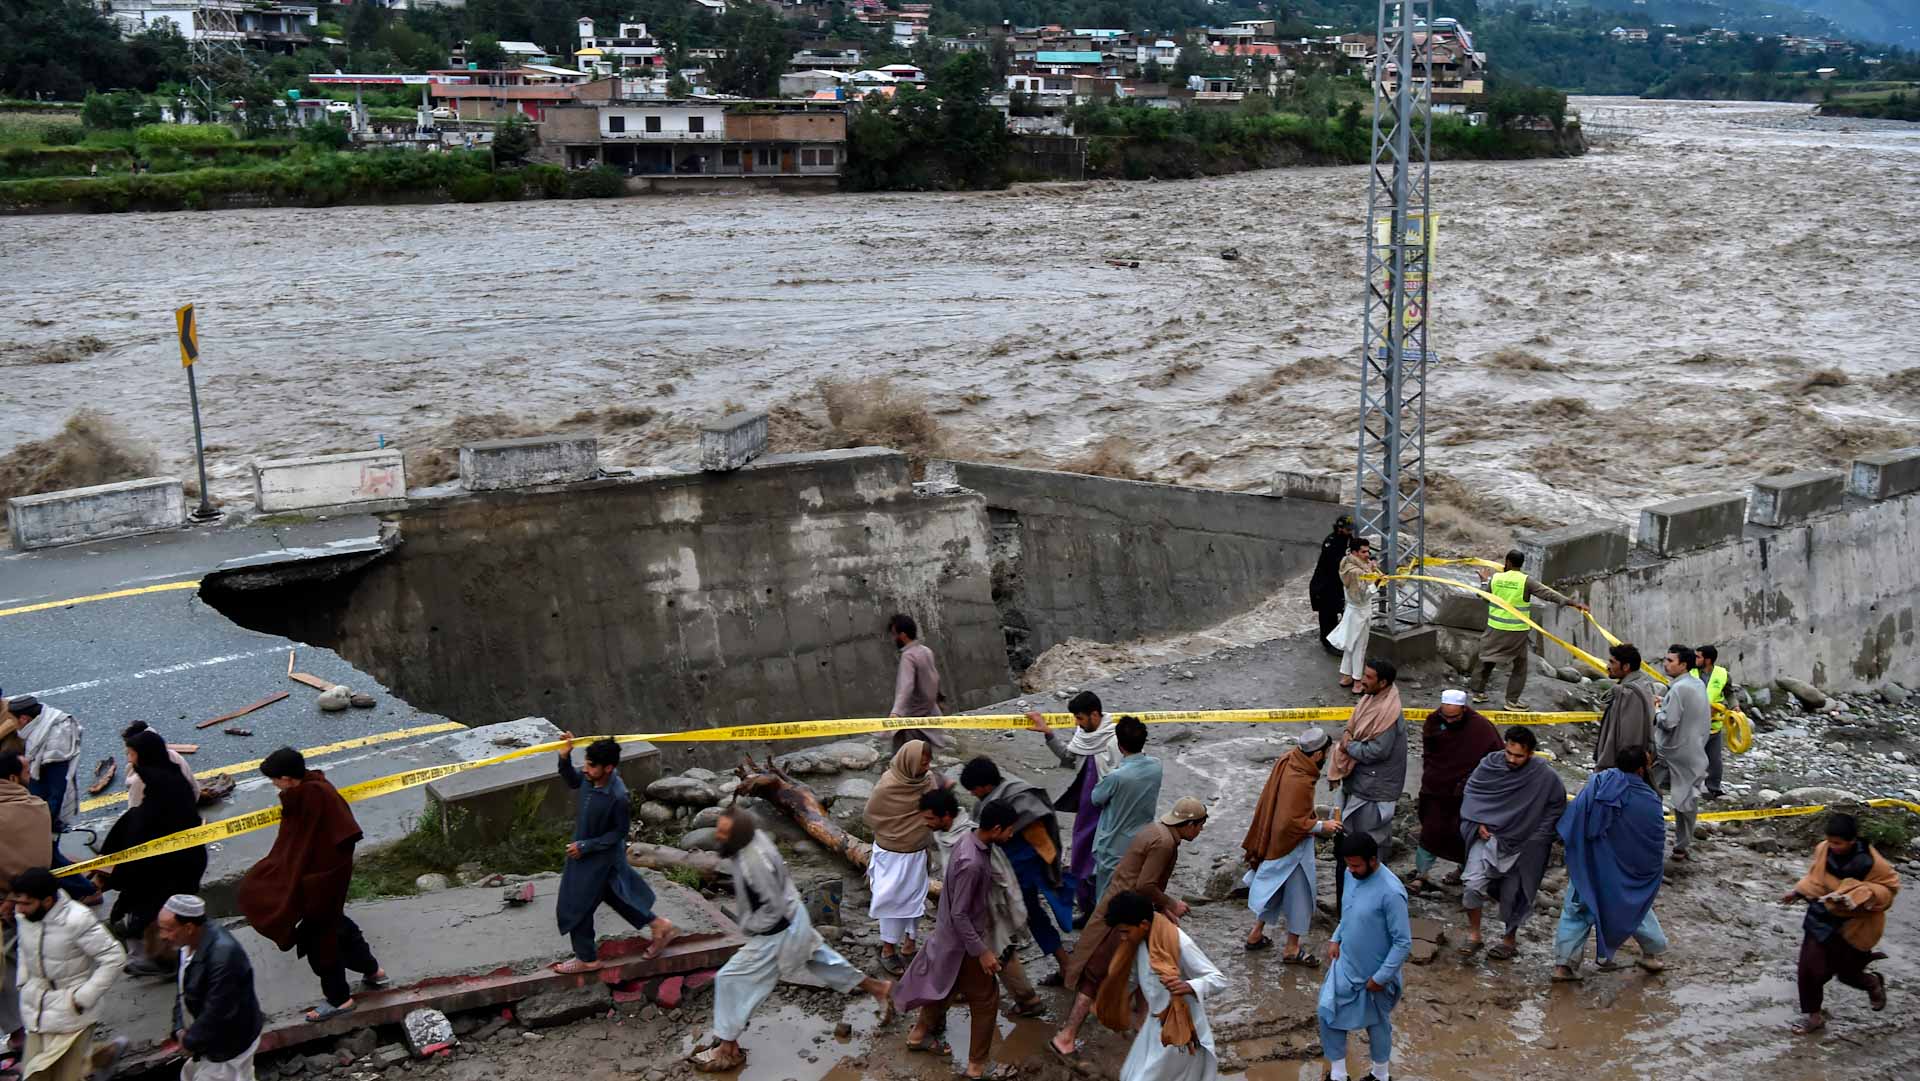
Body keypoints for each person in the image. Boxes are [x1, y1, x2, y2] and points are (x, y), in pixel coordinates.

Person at [696, 809, 893, 1073]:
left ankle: (727, 1049)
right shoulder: (752, 841)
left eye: (722, 833)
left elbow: (773, 909)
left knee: (730, 978)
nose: (717, 837)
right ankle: (880, 989)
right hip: (794, 915)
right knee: (825, 961)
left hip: (778, 930)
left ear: (737, 837)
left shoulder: (756, 863)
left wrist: (752, 930)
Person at [234, 748, 386, 1023]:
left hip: (322, 881)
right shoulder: (309, 790)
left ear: (288, 778)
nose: (275, 786)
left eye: (275, 780)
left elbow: (335, 838)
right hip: (322, 880)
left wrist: (312, 880)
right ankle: (373, 971)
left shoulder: (314, 796)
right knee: (337, 924)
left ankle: (340, 999)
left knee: (320, 940)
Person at [1051, 798, 1207, 1062]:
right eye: (1200, 826)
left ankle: (1140, 1024)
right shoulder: (1165, 844)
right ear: (1189, 824)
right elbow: (1146, 884)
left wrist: (1162, 908)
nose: (1200, 832)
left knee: (1142, 969)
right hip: (1125, 915)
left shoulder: (1155, 830)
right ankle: (1066, 1036)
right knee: (1096, 975)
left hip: (1128, 908)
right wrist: (1171, 904)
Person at [894, 800, 1018, 1081]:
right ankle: (975, 1067)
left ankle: (918, 1035)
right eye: (1010, 830)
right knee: (986, 1000)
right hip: (964, 944)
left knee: (942, 989)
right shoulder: (973, 864)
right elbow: (961, 914)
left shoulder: (968, 840)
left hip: (947, 939)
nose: (1012, 835)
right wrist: (983, 952)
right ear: (996, 829)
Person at [554, 734, 674, 974]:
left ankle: (587, 959)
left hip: (597, 857)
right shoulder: (590, 779)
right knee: (615, 895)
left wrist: (585, 846)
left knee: (576, 905)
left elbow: (618, 833)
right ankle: (659, 925)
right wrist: (564, 758)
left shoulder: (617, 797)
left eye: (591, 765)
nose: (585, 769)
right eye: (585, 763)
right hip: (588, 853)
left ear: (608, 768)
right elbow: (573, 780)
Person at [921, 788, 1046, 1018]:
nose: (925, 823)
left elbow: (990, 878)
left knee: (989, 953)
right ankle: (1024, 998)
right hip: (970, 908)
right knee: (994, 952)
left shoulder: (966, 843)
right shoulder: (960, 836)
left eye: (929, 818)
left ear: (946, 816)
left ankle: (929, 1025)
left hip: (981, 908)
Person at [94, 729, 206, 978]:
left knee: (140, 915)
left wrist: (117, 873)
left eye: (131, 753)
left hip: (165, 868)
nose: (129, 759)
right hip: (180, 861)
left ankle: (164, 962)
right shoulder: (170, 776)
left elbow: (141, 830)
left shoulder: (149, 785)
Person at [1553, 745, 1669, 981]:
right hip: (1622, 873)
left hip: (1588, 866)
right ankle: (1652, 954)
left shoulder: (1597, 783)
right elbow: (1652, 843)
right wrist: (1645, 875)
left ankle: (1563, 966)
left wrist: (1578, 852)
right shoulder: (1648, 801)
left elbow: (1573, 817)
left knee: (1576, 911)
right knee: (1634, 909)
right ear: (1641, 769)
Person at [1781, 812, 1900, 1035]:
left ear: (1852, 841)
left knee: (1847, 972)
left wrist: (1864, 894)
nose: (1833, 846)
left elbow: (1889, 890)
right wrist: (1798, 892)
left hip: (1854, 924)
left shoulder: (1873, 864)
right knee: (1809, 969)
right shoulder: (1823, 849)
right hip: (1821, 916)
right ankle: (1814, 1017)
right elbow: (1815, 878)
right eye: (1830, 841)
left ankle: (1872, 984)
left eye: (1838, 843)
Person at [960, 757, 1072, 984]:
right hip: (1015, 869)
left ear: (986, 786)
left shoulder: (1015, 799)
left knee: (1024, 917)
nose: (972, 794)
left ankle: (1063, 968)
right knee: (1029, 917)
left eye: (974, 789)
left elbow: (1042, 838)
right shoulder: (1002, 794)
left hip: (1020, 871)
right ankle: (1063, 965)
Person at [1457, 727, 1567, 960]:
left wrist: (1538, 836)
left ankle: (1509, 940)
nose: (1512, 759)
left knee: (1514, 893)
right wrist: (1476, 822)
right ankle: (1474, 935)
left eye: (1519, 756)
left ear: (1531, 754)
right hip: (1488, 838)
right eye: (1509, 752)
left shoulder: (1544, 776)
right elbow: (1473, 792)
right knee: (1472, 885)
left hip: (1523, 844)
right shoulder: (1489, 765)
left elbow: (1556, 806)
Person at [10, 867, 126, 1081]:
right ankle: (104, 1055)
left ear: (46, 901)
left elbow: (114, 956)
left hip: (72, 1013)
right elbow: (23, 949)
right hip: (36, 1009)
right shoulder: (24, 916)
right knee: (35, 1074)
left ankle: (98, 1057)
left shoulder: (78, 919)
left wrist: (83, 997)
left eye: (27, 903)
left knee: (66, 1076)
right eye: (18, 902)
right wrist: (24, 982)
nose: (20, 909)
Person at [1102, 890, 1227, 1081]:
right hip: (1155, 1026)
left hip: (1180, 1029)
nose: (1123, 938)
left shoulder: (1179, 942)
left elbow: (1218, 979)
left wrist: (1189, 986)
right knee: (1132, 1074)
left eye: (1125, 932)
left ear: (1143, 925)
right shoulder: (1138, 943)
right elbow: (1133, 978)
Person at [1241, 728, 1340, 963]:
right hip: (1291, 847)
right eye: (1326, 752)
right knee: (1302, 894)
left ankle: (1256, 934)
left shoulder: (1289, 760)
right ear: (1317, 755)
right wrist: (1321, 826)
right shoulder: (1301, 781)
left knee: (1274, 888)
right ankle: (1292, 948)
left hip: (1274, 841)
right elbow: (1292, 822)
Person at [1316, 834, 1410, 1081]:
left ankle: (1380, 1076)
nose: (1351, 870)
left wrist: (1381, 977)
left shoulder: (1391, 892)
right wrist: (1336, 937)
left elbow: (1403, 942)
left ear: (1372, 860)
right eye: (1348, 864)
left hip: (1375, 973)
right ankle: (1338, 1076)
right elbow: (1349, 911)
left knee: (1377, 1023)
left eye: (1356, 865)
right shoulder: (1351, 874)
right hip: (1345, 964)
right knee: (1329, 1013)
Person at [1026, 691, 1124, 919]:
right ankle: (1088, 908)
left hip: (1108, 811)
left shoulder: (1115, 738)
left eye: (1080, 718)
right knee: (1080, 858)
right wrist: (1048, 733)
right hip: (1086, 811)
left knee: (1105, 861)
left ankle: (1105, 910)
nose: (1077, 724)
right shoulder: (1084, 735)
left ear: (1095, 714)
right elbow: (1069, 758)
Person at [158, 894, 264, 1081]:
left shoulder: (223, 957)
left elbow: (218, 1011)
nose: (162, 936)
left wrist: (190, 1041)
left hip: (228, 1045)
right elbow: (183, 990)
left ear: (189, 928)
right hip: (210, 1041)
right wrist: (179, 1028)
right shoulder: (187, 946)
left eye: (167, 929)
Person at [1468, 550, 1589, 710]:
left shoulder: (1496, 579)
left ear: (1508, 562)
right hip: (1516, 632)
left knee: (1486, 659)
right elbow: (1548, 594)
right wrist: (1571, 603)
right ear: (1521, 564)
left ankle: (1477, 693)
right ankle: (1511, 701)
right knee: (1520, 666)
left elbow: (1484, 597)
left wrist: (1484, 582)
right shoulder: (1526, 581)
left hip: (1495, 628)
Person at [1411, 690, 1503, 895]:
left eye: (1454, 717)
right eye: (1446, 716)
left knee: (1465, 836)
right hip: (1437, 790)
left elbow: (1495, 759)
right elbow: (1430, 753)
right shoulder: (1434, 722)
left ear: (1464, 709)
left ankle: (1463, 870)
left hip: (1467, 795)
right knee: (1430, 831)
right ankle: (1421, 874)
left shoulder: (1481, 728)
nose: (1450, 721)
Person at [863, 739, 944, 975]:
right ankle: (888, 949)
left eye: (928, 762)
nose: (927, 767)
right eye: (922, 763)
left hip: (917, 854)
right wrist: (898, 832)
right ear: (909, 762)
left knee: (915, 901)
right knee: (891, 902)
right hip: (892, 856)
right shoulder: (888, 786)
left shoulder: (927, 781)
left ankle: (910, 945)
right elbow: (871, 816)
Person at [1329, 659, 1406, 870]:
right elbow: (1352, 728)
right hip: (1360, 782)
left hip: (1375, 788)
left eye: (1369, 677)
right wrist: (1348, 738)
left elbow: (1377, 751)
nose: (1363, 680)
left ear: (1383, 683)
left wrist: (1348, 747)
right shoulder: (1370, 700)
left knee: (1371, 840)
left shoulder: (1388, 712)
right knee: (1353, 835)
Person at [0, 753, 50, 1053]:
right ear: (14, 779)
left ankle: (17, 1032)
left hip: (4, 907)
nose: (31, 775)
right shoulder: (36, 807)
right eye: (27, 771)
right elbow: (39, 857)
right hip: (35, 901)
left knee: (6, 973)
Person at [1089, 716, 1162, 911]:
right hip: (1143, 841)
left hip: (1113, 846)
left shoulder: (1116, 777)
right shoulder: (1156, 766)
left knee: (1106, 899)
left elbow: (1096, 798)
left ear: (1119, 746)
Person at [1652, 645, 1710, 862]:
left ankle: (1650, 839)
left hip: (1670, 752)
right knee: (1687, 802)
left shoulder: (1678, 689)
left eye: (1670, 660)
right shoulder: (1696, 684)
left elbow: (1669, 722)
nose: (1665, 664)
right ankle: (1682, 846)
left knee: (1649, 792)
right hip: (1694, 750)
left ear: (1683, 664)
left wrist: (1657, 711)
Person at [5, 698, 79, 835]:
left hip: (45, 812)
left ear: (24, 719)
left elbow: (57, 790)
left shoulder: (55, 743)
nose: (12, 724)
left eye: (13, 720)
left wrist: (44, 823)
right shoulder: (37, 726)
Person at [887, 614, 950, 751]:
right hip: (929, 712)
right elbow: (935, 677)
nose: (893, 639)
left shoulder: (908, 656)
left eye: (894, 634)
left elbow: (906, 687)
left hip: (913, 719)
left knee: (906, 757)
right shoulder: (926, 651)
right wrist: (939, 699)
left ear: (902, 635)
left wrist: (896, 713)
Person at [1594, 643, 1657, 771]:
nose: (1608, 666)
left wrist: (1610, 765)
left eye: (1612, 662)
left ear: (1626, 666)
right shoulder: (1639, 685)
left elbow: (1628, 737)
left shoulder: (1630, 693)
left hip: (1623, 767)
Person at [1327, 537, 1376, 691]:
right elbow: (1361, 597)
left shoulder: (1347, 563)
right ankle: (1357, 682)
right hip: (1360, 612)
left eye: (1368, 551)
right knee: (1359, 647)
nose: (1367, 554)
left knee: (1350, 645)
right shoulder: (1356, 572)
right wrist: (1377, 583)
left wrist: (1372, 571)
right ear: (1355, 552)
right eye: (1364, 552)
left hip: (1352, 611)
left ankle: (1347, 676)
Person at [121, 722, 198, 809]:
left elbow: (134, 811)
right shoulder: (173, 755)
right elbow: (195, 790)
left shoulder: (140, 780)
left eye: (131, 753)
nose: (128, 757)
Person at [1310, 514, 1356, 656]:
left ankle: (1339, 639)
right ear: (1339, 528)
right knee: (1327, 616)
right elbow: (1336, 563)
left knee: (1344, 612)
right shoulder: (1330, 542)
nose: (1350, 532)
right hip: (1325, 585)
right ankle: (1328, 643)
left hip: (1339, 584)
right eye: (1347, 529)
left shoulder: (1349, 540)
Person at [1693, 645, 1732, 800]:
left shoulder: (1722, 674)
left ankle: (1713, 788)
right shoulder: (1690, 672)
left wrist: (1734, 706)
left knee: (1714, 760)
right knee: (1689, 757)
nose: (1695, 659)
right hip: (1693, 725)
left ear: (1707, 660)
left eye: (1698, 657)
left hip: (1714, 725)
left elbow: (1729, 693)